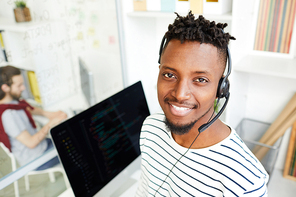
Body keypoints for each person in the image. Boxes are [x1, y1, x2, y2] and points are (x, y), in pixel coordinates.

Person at [136, 11, 269, 196]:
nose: (180, 94)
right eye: (169, 75)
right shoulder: (150, 128)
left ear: (221, 89)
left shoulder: (244, 180)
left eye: (200, 79)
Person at [0, 65, 67, 170]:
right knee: (76, 147)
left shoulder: (12, 102)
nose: (23, 88)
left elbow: (29, 109)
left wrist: (50, 114)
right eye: (19, 85)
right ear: (5, 88)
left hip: (42, 145)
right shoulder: (8, 116)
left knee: (71, 137)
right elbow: (31, 143)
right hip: (36, 159)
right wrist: (51, 123)